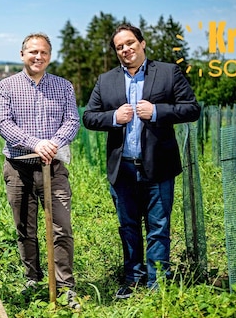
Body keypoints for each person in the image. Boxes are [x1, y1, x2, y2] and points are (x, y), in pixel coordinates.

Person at [83, 24, 201, 299]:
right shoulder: (106, 80)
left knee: (158, 227)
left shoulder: (168, 72)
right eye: (119, 46)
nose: (126, 49)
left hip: (158, 166)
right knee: (128, 226)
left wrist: (157, 111)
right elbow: (89, 116)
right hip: (122, 167)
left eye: (130, 43)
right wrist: (114, 117)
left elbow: (192, 109)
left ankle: (157, 282)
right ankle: (133, 279)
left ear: (142, 43)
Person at [0, 32, 81, 309]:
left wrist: (53, 143)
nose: (38, 57)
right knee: (24, 228)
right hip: (19, 168)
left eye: (43, 52)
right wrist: (35, 143)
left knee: (61, 228)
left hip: (53, 168)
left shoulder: (63, 86)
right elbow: (3, 124)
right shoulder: (6, 87)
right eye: (32, 52)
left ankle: (65, 286)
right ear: (22, 55)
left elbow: (72, 121)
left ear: (49, 56)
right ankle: (33, 279)